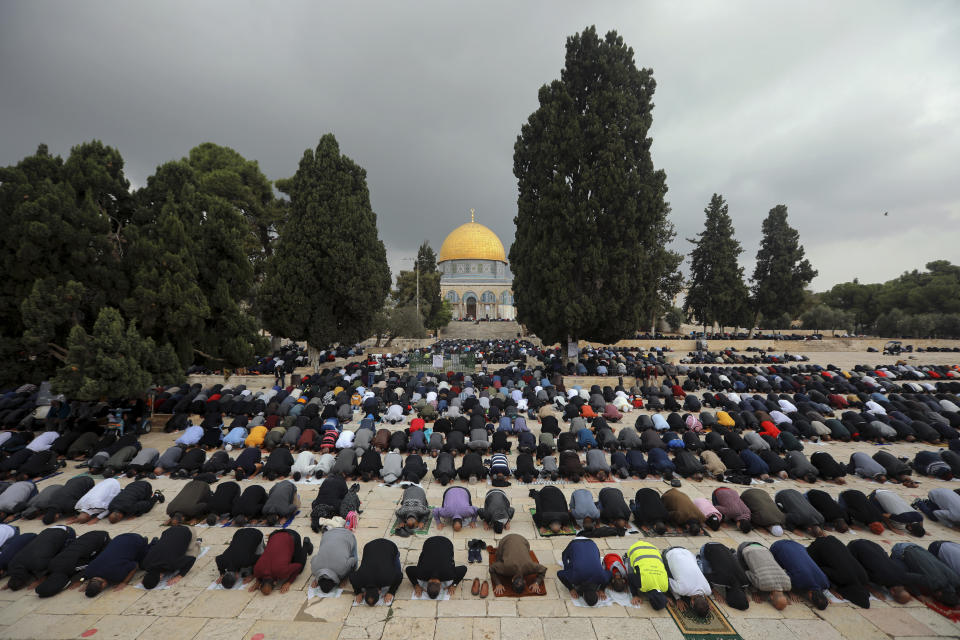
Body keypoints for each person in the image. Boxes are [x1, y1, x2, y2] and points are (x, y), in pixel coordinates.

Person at [35, 530, 110, 598]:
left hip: (103, 538)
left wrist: (80, 580)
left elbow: (91, 565)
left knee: (100, 556)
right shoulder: (51, 565)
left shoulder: (71, 568)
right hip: (87, 536)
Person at [805, 535, 870, 608]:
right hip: (819, 546)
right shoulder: (843, 578)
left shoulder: (864, 577)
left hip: (833, 540)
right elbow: (821, 570)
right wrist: (831, 588)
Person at [4, 525, 76, 591]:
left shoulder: (38, 565)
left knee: (61, 555)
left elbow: (53, 568)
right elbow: (17, 573)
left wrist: (40, 580)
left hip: (68, 531)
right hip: (49, 530)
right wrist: (13, 582)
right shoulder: (12, 565)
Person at [846, 539, 916, 604]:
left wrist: (918, 595)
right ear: (892, 592)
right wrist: (873, 590)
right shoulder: (880, 578)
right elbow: (860, 576)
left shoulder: (903, 575)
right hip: (854, 546)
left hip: (869, 543)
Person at [81, 532, 151, 597]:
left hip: (136, 540)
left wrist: (124, 582)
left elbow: (135, 566)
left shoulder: (116, 576)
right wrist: (85, 583)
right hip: (119, 538)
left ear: (103, 585)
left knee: (144, 565)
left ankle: (150, 543)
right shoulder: (88, 571)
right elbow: (85, 578)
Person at [891, 542, 960, 605]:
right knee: (897, 577)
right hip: (901, 550)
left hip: (917, 547)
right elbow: (905, 577)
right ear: (939, 594)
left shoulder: (955, 579)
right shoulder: (932, 582)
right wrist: (918, 594)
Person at [770, 539, 829, 609]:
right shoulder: (800, 582)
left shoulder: (825, 583)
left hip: (796, 545)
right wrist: (790, 591)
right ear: (810, 595)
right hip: (777, 546)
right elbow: (782, 577)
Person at [252, 529, 313, 595]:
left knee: (300, 566)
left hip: (293, 536)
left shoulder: (282, 573)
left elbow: (298, 566)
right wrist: (257, 581)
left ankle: (306, 545)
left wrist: (289, 582)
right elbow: (259, 576)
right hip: (274, 535)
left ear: (275, 583)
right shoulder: (257, 571)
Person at [139, 525, 198, 589]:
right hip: (170, 529)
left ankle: (198, 543)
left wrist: (179, 576)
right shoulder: (145, 564)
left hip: (188, 531)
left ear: (160, 578)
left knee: (190, 552)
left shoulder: (171, 565)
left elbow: (192, 559)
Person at [737, 541, 792, 610]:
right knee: (741, 570)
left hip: (763, 548)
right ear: (771, 597)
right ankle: (734, 555)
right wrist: (754, 592)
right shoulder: (762, 585)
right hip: (745, 548)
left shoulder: (788, 584)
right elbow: (747, 574)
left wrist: (788, 593)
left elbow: (783, 572)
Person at [557, 538, 611, 606]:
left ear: (597, 593)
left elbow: (610, 574)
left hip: (591, 543)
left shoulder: (602, 578)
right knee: (565, 560)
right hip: (574, 544)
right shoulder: (574, 578)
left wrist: (602, 589)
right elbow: (559, 573)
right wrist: (570, 588)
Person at [349, 538, 403, 605]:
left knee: (397, 569)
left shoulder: (387, 579)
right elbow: (351, 576)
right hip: (369, 546)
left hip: (390, 546)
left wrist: (391, 592)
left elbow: (400, 576)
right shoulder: (359, 580)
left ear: (380, 591)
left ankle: (397, 554)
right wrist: (358, 592)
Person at [697, 542, 750, 610]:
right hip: (706, 548)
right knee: (704, 572)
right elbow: (705, 577)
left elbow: (741, 587)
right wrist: (714, 591)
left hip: (723, 547)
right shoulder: (722, 580)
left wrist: (744, 595)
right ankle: (698, 559)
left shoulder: (745, 581)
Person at [663, 546, 712, 617]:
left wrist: (705, 604)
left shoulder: (708, 591)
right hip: (669, 552)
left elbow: (705, 594)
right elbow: (668, 580)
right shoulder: (682, 590)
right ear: (692, 602)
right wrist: (678, 599)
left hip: (687, 551)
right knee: (666, 574)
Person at [621, 540, 669, 608]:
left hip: (653, 548)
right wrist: (635, 595)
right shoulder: (643, 585)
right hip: (635, 548)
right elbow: (630, 577)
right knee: (627, 573)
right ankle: (626, 557)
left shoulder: (665, 587)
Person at [310, 526, 358, 594]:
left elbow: (354, 560)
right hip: (328, 534)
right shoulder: (314, 569)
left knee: (355, 567)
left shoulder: (342, 571)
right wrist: (316, 576)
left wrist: (346, 579)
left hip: (348, 534)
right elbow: (314, 558)